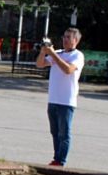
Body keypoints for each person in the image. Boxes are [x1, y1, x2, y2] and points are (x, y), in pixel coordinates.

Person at [35, 28, 85, 166]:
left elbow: (68, 70)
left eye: (68, 37)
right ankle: (56, 158)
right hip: (53, 99)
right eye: (64, 37)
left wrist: (53, 54)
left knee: (64, 133)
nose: (65, 40)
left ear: (76, 40)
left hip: (66, 101)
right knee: (55, 132)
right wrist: (43, 51)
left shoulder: (77, 55)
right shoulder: (58, 53)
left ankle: (61, 160)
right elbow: (40, 64)